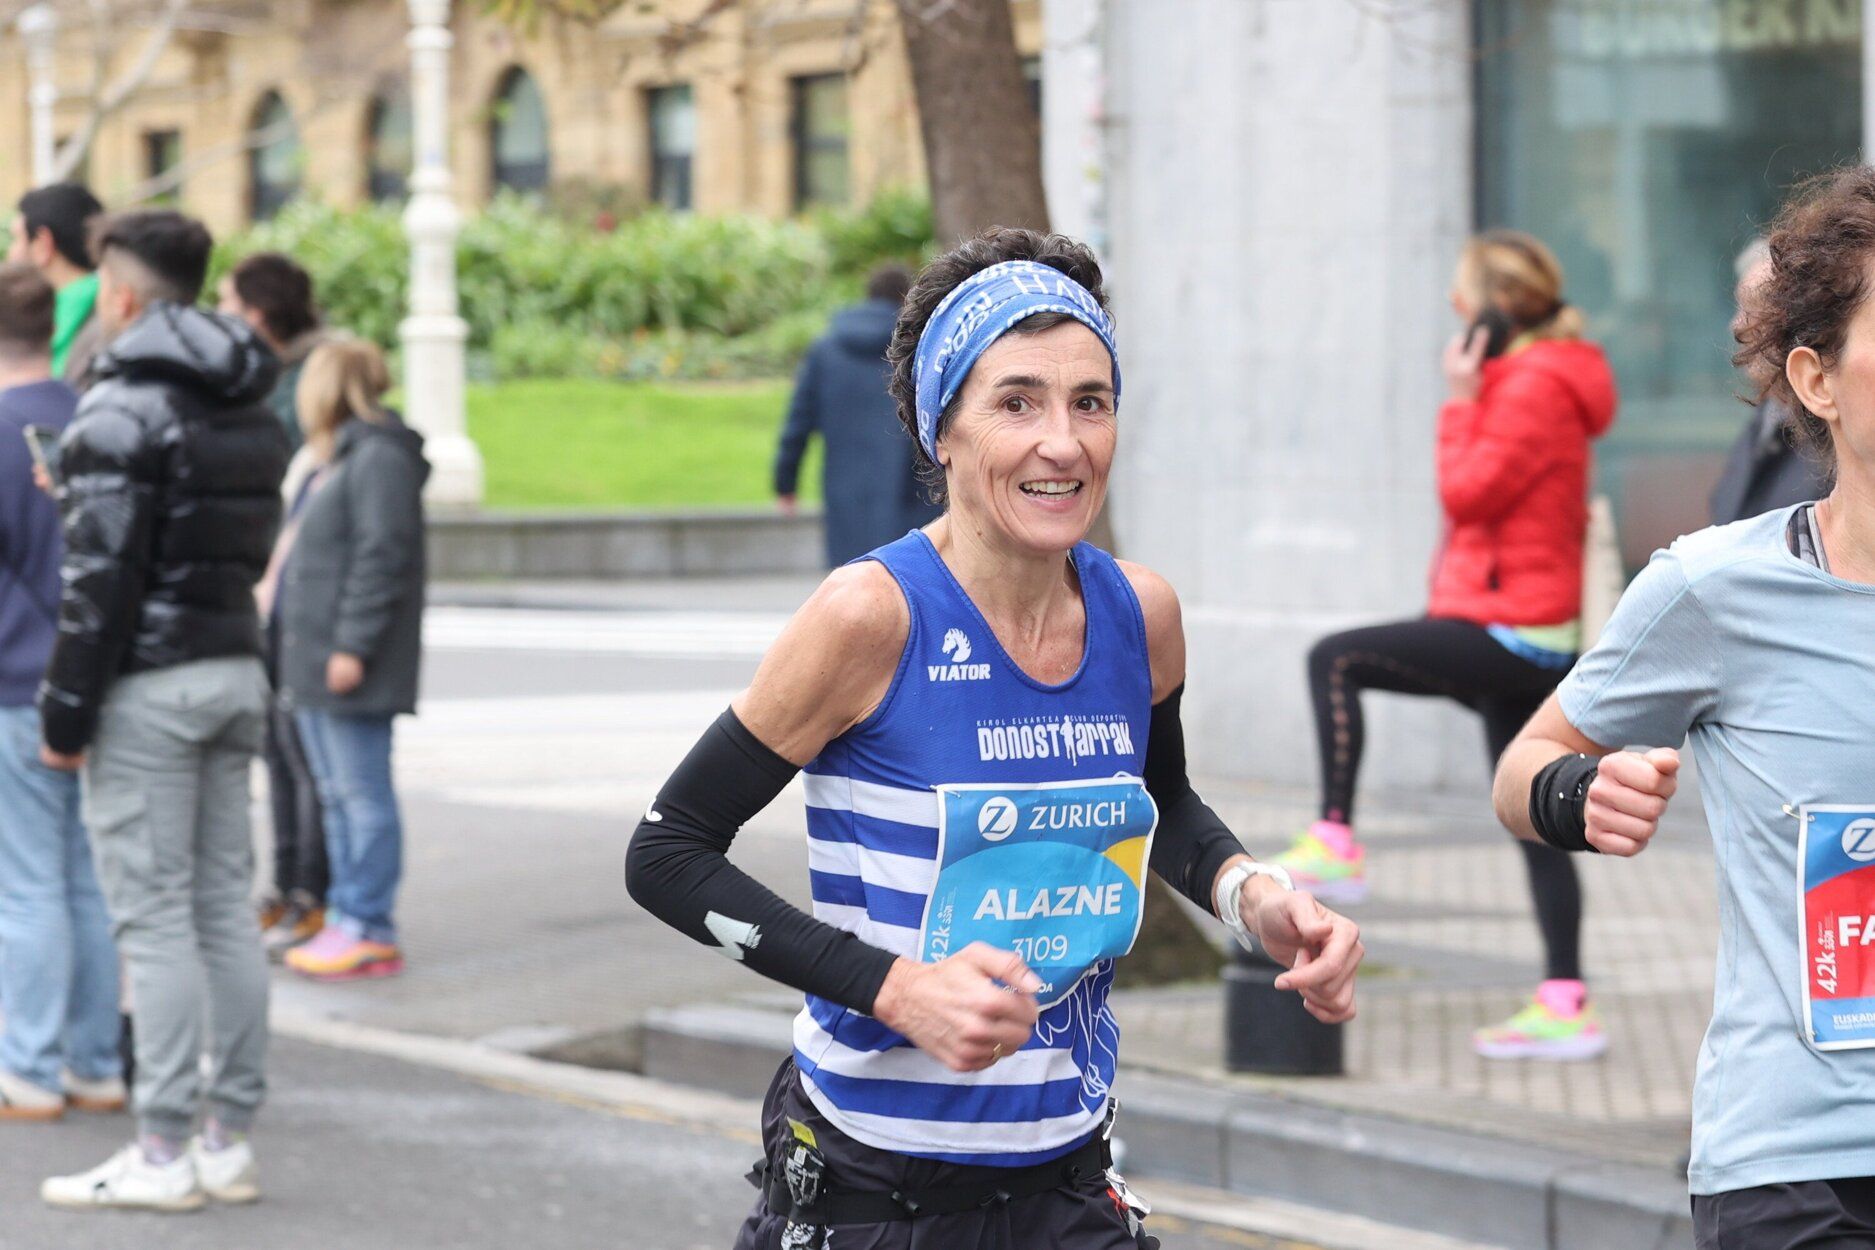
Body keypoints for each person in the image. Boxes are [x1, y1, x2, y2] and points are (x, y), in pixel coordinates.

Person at [628, 228, 1364, 1250]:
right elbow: (667, 852)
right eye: (1016, 401)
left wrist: (1256, 897)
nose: (1062, 442)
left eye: (1089, 402)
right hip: (871, 1190)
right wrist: (896, 988)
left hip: (1069, 1180)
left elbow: (1167, 805)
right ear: (945, 431)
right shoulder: (869, 616)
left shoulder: (1138, 612)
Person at [1493, 165, 1875, 1249]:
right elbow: (1522, 766)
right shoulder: (1714, 589)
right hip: (1800, 1166)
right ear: (1816, 379)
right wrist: (1580, 790)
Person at [1272, 230, 1618, 1060]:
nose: (1452, 315)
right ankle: (1565, 1000)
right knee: (1532, 816)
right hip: (1520, 621)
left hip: (1512, 629)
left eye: (1461, 301)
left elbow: (1466, 494)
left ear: (1493, 313)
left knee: (1337, 659)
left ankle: (1336, 841)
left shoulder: (1530, 385)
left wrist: (1461, 397)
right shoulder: (1543, 377)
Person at [36, 210, 289, 1212]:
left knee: (155, 920)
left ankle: (159, 1148)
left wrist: (64, 718)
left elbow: (100, 588)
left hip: (148, 688)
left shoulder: (119, 411)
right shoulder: (248, 404)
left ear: (124, 293)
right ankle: (225, 1138)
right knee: (226, 904)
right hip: (231, 665)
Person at [0, 262, 125, 1122]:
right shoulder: (96, 420)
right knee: (88, 880)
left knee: (27, 882)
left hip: (14, 680)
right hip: (99, 680)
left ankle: (30, 1068)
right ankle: (94, 1063)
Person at [276, 339, 429, 983]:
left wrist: (350, 646)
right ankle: (347, 915)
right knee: (338, 796)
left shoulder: (376, 458)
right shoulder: (337, 457)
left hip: (344, 663)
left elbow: (380, 557)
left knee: (360, 795)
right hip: (311, 661)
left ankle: (368, 924)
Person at [219, 252, 332, 956]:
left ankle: (313, 895)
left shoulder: (302, 383)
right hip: (267, 595)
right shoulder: (273, 380)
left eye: (229, 304)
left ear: (257, 315)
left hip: (295, 601)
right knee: (281, 754)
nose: (222, 318)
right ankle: (291, 888)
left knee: (304, 759)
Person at [774, 264, 941, 567]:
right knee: (910, 577)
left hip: (845, 484)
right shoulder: (918, 349)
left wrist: (786, 483)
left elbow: (798, 422)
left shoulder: (825, 351)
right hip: (909, 485)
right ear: (907, 300)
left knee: (853, 579)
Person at [1710, 237, 1834, 525]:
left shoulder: (1836, 441)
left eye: (1753, 309)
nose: (1737, 326)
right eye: (1739, 308)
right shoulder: (1769, 417)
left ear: (1800, 323)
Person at [6, 183, 106, 387]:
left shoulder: (52, 322)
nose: (10, 254)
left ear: (43, 243)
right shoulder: (113, 307)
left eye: (16, 239)